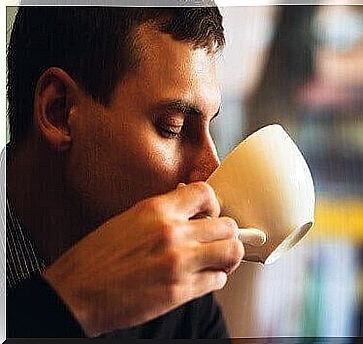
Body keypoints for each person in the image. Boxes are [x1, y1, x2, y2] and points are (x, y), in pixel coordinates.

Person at [5, 5, 256, 339]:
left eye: (210, 128)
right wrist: (72, 303)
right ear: (60, 111)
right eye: (173, 127)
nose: (210, 172)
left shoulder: (180, 304)